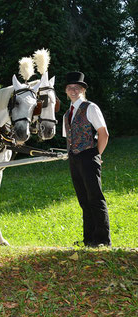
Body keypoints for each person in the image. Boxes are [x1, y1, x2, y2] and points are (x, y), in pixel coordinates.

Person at [63, 71, 111, 247]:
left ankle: (102, 240)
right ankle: (89, 240)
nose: (73, 91)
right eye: (70, 88)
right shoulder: (67, 113)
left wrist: (97, 155)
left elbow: (103, 133)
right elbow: (69, 138)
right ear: (66, 91)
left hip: (89, 155)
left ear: (82, 89)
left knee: (95, 198)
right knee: (83, 200)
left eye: (77, 88)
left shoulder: (90, 107)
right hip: (74, 159)